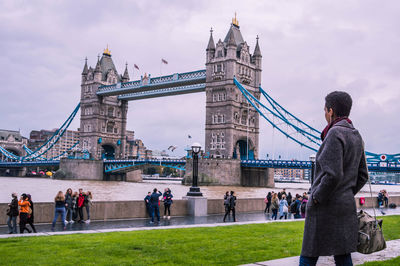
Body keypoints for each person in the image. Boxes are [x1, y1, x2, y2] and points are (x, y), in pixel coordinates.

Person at [300, 91, 369, 266]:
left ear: (331, 111)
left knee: (308, 254)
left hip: (324, 206)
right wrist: (345, 193)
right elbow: (363, 175)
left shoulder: (334, 133)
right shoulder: (356, 134)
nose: (324, 114)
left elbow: (333, 174)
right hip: (345, 207)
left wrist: (316, 197)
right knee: (343, 255)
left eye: (325, 110)